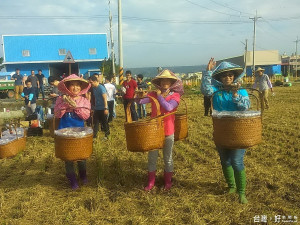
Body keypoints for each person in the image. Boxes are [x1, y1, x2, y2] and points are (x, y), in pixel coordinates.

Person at [201, 58, 250, 204]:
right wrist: (208, 72)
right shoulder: (216, 91)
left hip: (238, 131)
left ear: (234, 76)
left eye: (230, 75)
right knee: (225, 160)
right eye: (224, 75)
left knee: (236, 161)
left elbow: (245, 107)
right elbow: (205, 90)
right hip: (222, 131)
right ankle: (231, 187)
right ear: (220, 78)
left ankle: (241, 192)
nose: (227, 78)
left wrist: (235, 95)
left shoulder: (241, 90)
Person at [139, 69, 184, 191]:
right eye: (162, 80)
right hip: (154, 131)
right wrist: (141, 95)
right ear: (159, 82)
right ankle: (151, 182)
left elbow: (168, 107)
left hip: (168, 131)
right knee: (152, 157)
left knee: (167, 157)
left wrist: (159, 97)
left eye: (167, 80)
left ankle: (168, 182)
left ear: (171, 82)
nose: (165, 82)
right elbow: (141, 101)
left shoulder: (175, 95)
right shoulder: (153, 94)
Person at [54, 74, 91, 190]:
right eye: (72, 85)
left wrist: (75, 107)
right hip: (64, 133)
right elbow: (57, 114)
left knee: (81, 156)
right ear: (67, 87)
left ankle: (83, 176)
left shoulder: (84, 100)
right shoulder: (60, 99)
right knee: (68, 158)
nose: (75, 88)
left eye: (78, 85)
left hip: (80, 134)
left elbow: (86, 116)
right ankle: (72, 180)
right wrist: (65, 104)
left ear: (81, 87)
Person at [89, 75, 110, 139]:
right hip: (97, 108)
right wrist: (93, 108)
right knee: (96, 123)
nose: (90, 84)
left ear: (95, 81)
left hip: (103, 108)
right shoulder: (93, 88)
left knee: (104, 122)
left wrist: (106, 108)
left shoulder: (101, 88)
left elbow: (105, 98)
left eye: (91, 82)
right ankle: (94, 136)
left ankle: (107, 135)